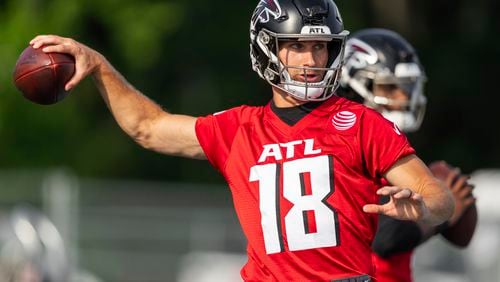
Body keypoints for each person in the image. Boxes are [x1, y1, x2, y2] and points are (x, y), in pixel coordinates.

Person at [28, 1, 455, 280]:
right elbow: (148, 127)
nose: (310, 60)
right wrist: (100, 66)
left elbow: (440, 199)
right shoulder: (238, 129)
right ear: (268, 49)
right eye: (296, 46)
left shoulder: (359, 122)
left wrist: (422, 206)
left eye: (320, 48)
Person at [339, 28, 478, 282]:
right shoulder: (344, 146)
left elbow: (462, 238)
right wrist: (442, 211)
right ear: (355, 85)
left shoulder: (391, 143)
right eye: (391, 87)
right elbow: (383, 238)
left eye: (407, 87)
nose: (404, 97)